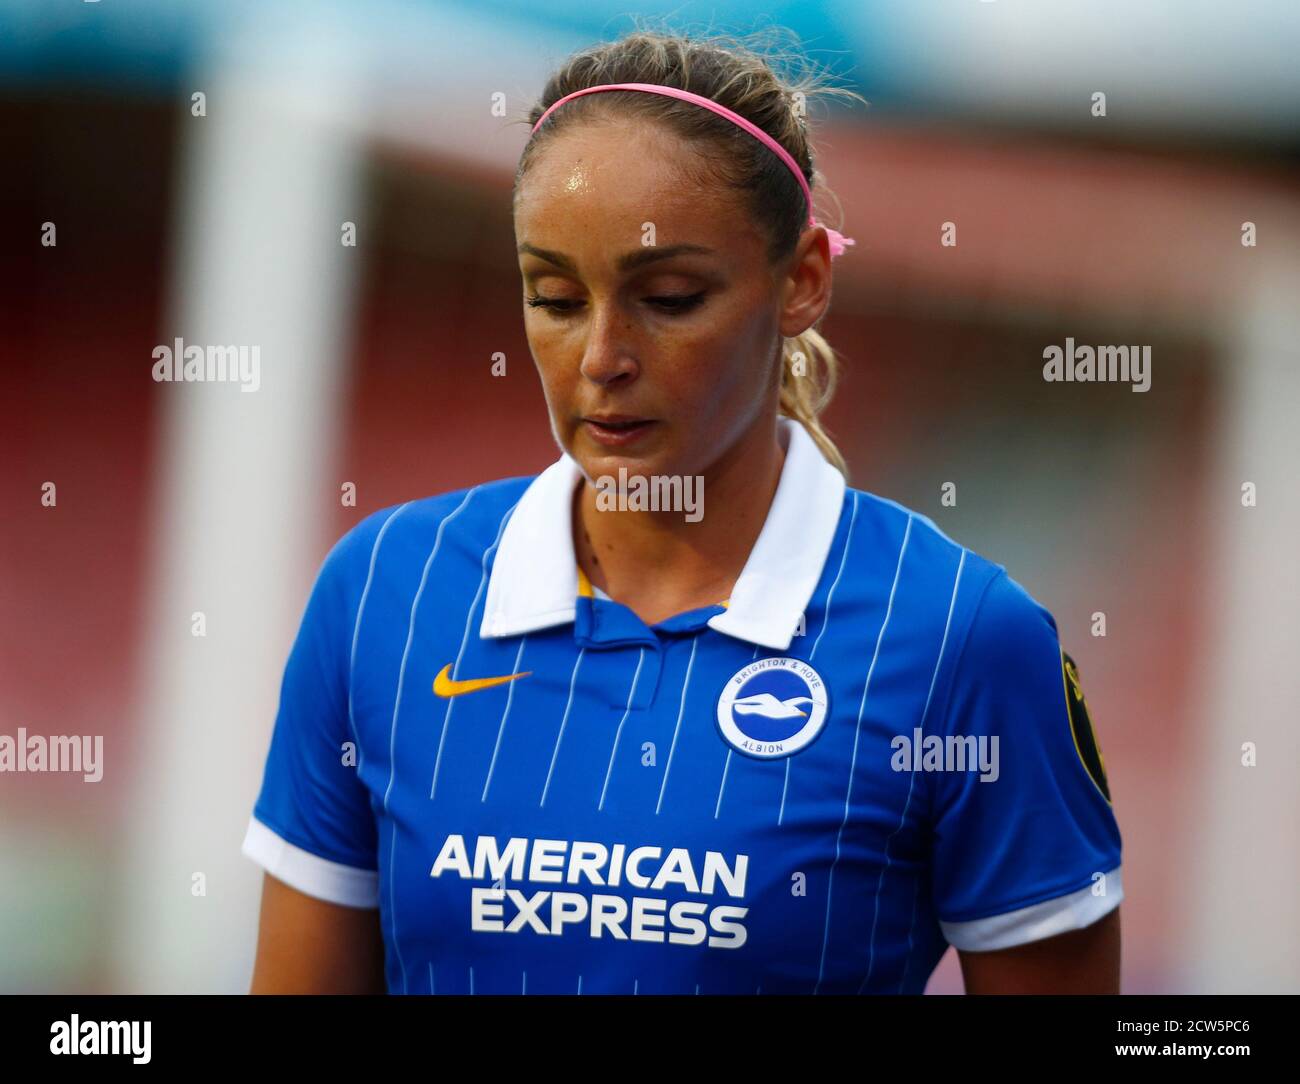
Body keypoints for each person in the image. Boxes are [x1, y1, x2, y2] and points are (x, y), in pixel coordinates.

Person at [243, 28, 1122, 995]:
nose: (601, 358)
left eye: (668, 298)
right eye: (555, 297)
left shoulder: (965, 643)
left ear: (802, 283)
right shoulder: (384, 594)